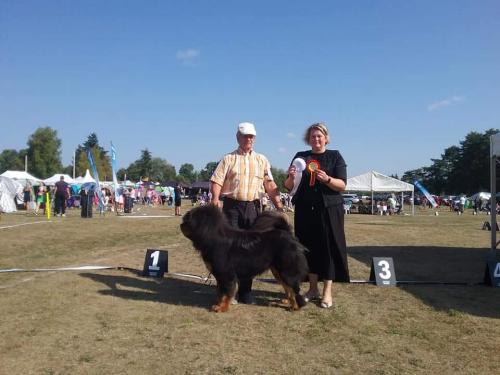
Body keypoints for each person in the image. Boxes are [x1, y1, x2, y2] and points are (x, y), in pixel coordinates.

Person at [210, 122, 285, 304]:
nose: (248, 139)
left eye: (251, 136)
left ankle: (246, 292)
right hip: (231, 208)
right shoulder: (228, 159)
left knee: (250, 251)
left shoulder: (262, 160)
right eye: (245, 136)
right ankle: (229, 292)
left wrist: (279, 206)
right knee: (230, 250)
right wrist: (215, 200)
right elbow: (217, 181)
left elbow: (270, 185)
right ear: (238, 137)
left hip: (253, 208)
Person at [284, 123, 349, 308]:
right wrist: (290, 176)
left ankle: (327, 292)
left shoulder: (335, 156)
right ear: (308, 139)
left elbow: (342, 185)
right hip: (305, 210)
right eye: (313, 136)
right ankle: (312, 289)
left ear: (326, 138)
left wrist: (327, 179)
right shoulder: (300, 157)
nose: (316, 139)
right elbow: (289, 186)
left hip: (329, 209)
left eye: (319, 136)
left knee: (328, 249)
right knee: (307, 249)